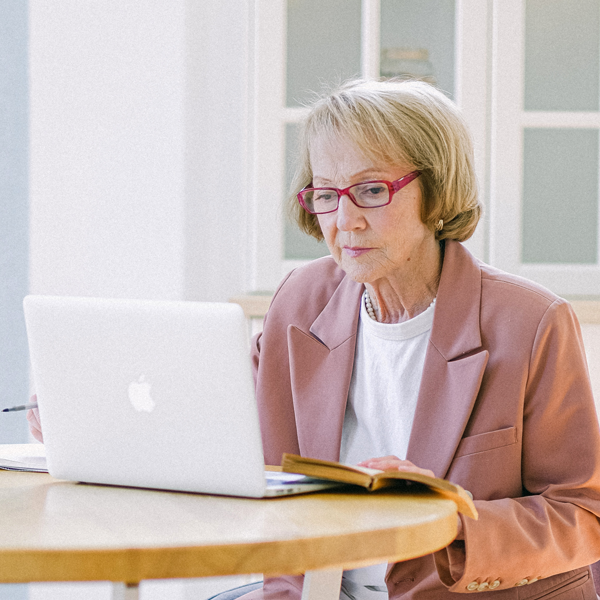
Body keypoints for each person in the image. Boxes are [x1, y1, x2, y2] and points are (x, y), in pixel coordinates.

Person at [30, 79, 600, 600]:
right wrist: (89, 415)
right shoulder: (301, 303)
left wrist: (451, 518)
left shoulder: (529, 322)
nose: (344, 220)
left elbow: (583, 514)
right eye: (326, 193)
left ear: (438, 189)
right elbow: (221, 427)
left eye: (372, 190)